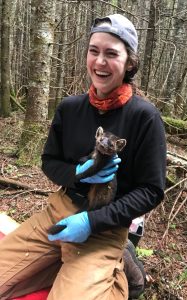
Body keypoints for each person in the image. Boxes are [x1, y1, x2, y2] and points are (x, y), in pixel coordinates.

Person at [0, 13, 166, 300]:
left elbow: (152, 190)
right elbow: (50, 162)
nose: (99, 62)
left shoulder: (145, 117)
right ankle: (62, 265)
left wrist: (93, 222)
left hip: (105, 226)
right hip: (59, 212)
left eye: (111, 53)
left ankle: (124, 274)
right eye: (94, 51)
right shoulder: (70, 107)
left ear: (129, 62)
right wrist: (79, 173)